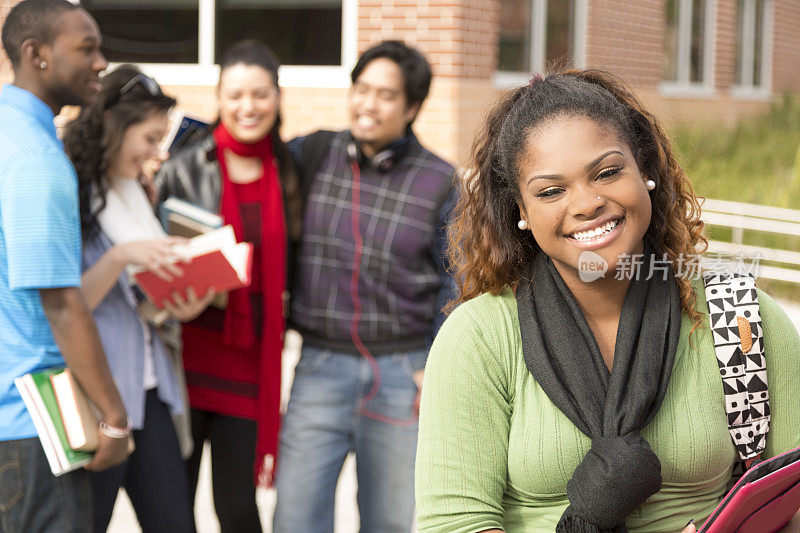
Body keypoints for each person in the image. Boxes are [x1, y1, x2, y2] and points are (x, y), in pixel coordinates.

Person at [414, 69, 800, 532]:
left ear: (645, 174)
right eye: (551, 190)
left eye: (608, 172)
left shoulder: (741, 317)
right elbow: (454, 524)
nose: (586, 203)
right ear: (521, 212)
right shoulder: (480, 335)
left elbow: (789, 503)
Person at [272, 40, 456, 533]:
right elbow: (246, 163)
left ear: (413, 107)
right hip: (320, 366)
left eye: (386, 95)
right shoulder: (312, 152)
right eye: (361, 89)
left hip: (403, 373)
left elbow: (458, 283)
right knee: (294, 519)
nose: (367, 104)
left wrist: (434, 366)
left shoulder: (441, 181)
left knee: (390, 523)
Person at [155, 40, 302, 532]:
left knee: (237, 511)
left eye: (260, 95)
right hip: (185, 356)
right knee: (174, 509)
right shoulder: (182, 168)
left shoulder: (290, 172)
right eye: (236, 95)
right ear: (219, 97)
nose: (248, 107)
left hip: (249, 363)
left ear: (277, 98)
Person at [62, 65, 214, 533]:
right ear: (113, 124)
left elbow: (138, 303)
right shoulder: (67, 192)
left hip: (151, 391)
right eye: (149, 139)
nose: (156, 154)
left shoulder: (133, 193)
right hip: (97, 396)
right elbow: (65, 304)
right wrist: (122, 256)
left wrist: (180, 304)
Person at [0, 1, 130, 531]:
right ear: (38, 55)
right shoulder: (35, 156)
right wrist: (114, 418)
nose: (101, 61)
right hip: (32, 430)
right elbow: (61, 300)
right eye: (86, 48)